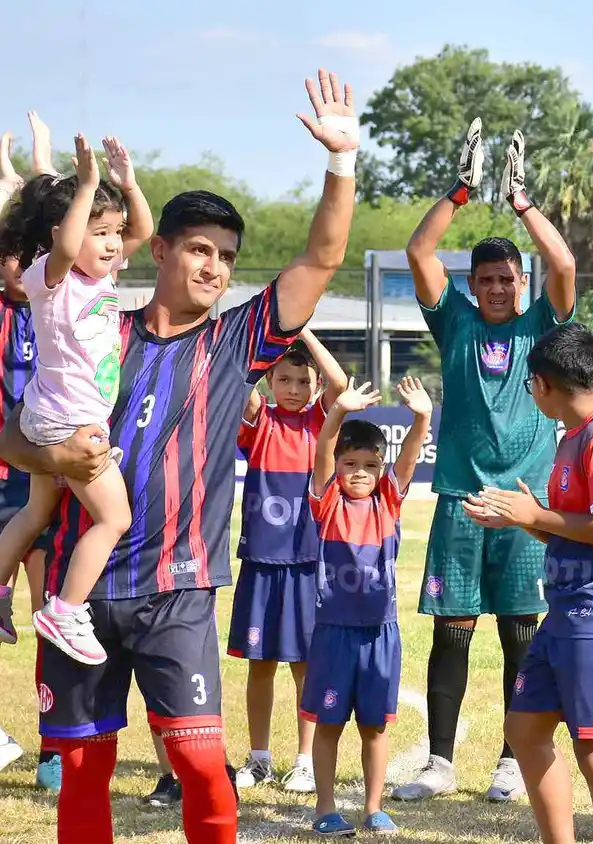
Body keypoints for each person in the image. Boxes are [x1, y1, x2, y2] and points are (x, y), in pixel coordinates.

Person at [0, 67, 359, 844]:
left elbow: (323, 260)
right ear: (156, 248)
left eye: (226, 256)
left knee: (201, 768)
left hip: (181, 592)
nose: (214, 268)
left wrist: (340, 162)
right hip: (79, 597)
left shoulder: (239, 342)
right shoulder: (97, 333)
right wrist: (52, 458)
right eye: (199, 249)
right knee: (85, 778)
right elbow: (7, 434)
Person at [394, 117, 578, 803]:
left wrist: (524, 204)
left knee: (522, 639)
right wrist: (463, 191)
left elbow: (563, 267)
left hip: (527, 508)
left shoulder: (541, 326)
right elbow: (420, 251)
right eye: (488, 280)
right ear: (472, 286)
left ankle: (511, 760)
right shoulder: (458, 321)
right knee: (453, 633)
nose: (499, 288)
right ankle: (439, 763)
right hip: (460, 502)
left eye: (508, 278)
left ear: (520, 283)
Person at [464, 322, 593, 844]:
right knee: (524, 730)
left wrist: (538, 516)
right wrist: (523, 518)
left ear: (543, 385)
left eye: (530, 384)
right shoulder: (573, 436)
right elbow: (574, 534)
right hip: (569, 608)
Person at [0, 133, 151, 665]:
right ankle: (65, 609)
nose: (114, 244)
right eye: (100, 233)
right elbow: (67, 246)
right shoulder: (50, 276)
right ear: (60, 231)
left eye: (114, 234)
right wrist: (88, 183)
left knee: (37, 510)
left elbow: (145, 230)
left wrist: (127, 185)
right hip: (69, 422)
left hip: (54, 412)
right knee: (115, 520)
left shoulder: (100, 272)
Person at [300, 376, 429, 836]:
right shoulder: (327, 501)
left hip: (381, 634)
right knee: (329, 725)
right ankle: (325, 809)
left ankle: (374, 808)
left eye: (369, 465)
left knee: (375, 727)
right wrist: (337, 413)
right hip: (334, 632)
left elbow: (409, 458)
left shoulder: (388, 502)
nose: (359, 472)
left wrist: (421, 418)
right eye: (349, 463)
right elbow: (321, 455)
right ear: (336, 467)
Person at [229, 328, 348, 793]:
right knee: (260, 664)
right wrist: (272, 342)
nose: (293, 390)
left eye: (302, 381)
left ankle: (304, 759)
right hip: (262, 560)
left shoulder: (322, 423)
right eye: (284, 380)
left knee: (305, 665)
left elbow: (338, 384)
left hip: (307, 563)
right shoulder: (260, 423)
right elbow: (239, 381)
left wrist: (304, 332)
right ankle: (259, 759)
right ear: (271, 381)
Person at [0, 124, 64, 789]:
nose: (22, 266)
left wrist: (40, 172)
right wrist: (10, 180)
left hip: (42, 483)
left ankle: (54, 747)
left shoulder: (58, 307)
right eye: (13, 255)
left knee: (54, 615)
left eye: (33, 255)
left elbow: (59, 221)